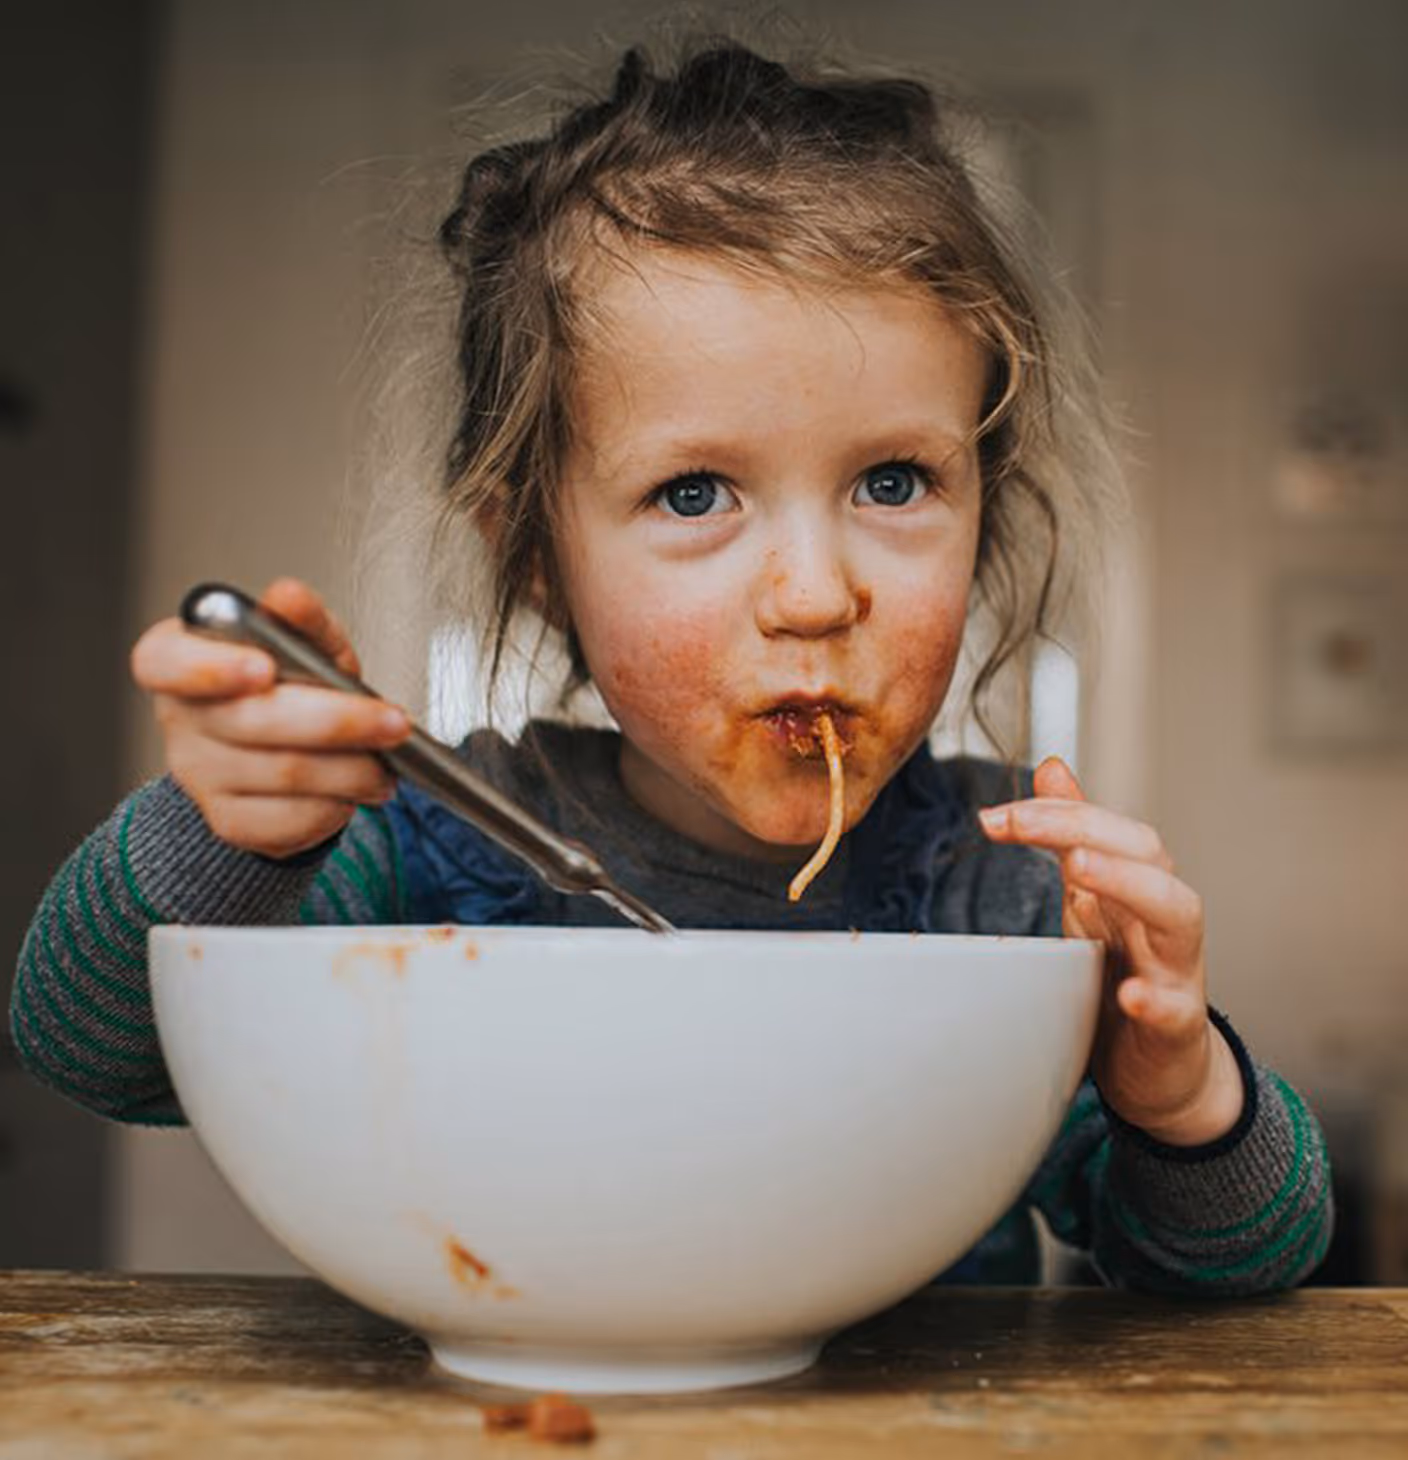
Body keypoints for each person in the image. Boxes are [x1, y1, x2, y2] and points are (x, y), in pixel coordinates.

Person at [10, 37, 1330, 1293]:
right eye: (696, 494)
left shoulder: (1004, 899)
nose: (815, 595)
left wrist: (1183, 1096)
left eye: (892, 479)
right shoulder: (426, 848)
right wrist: (227, 836)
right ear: (533, 555)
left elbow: (1239, 1267)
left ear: (985, 512)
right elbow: (89, 1047)